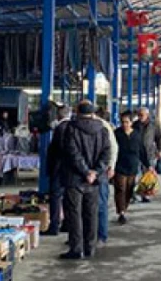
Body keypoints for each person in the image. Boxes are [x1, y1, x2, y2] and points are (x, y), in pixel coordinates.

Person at [58, 100, 112, 260]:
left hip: (74, 178)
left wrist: (85, 171)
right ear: (93, 112)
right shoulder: (102, 130)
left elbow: (72, 152)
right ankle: (90, 247)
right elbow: (107, 153)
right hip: (94, 180)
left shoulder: (71, 128)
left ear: (77, 111)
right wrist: (95, 171)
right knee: (91, 213)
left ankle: (76, 249)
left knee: (74, 214)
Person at [113, 111, 147, 225]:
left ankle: (124, 208)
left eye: (127, 122)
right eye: (122, 122)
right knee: (120, 188)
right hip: (119, 165)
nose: (124, 124)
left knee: (129, 189)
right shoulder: (117, 133)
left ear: (131, 122)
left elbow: (142, 151)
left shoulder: (137, 135)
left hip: (132, 166)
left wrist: (149, 165)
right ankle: (121, 212)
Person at [44, 104, 73, 237]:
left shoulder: (60, 128)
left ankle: (54, 225)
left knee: (55, 196)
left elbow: (58, 150)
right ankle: (67, 223)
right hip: (70, 169)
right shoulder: (72, 127)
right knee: (67, 196)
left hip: (59, 168)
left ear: (59, 115)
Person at [93, 107, 118, 245]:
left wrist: (111, 166)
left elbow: (112, 148)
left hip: (98, 170)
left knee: (100, 203)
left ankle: (101, 234)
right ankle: (92, 235)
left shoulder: (103, 126)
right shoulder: (103, 126)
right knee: (95, 204)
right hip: (97, 170)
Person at [135, 107, 161, 202]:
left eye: (142, 115)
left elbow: (159, 138)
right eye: (138, 115)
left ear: (147, 115)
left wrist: (160, 150)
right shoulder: (135, 125)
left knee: (147, 175)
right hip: (137, 153)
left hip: (149, 153)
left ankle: (146, 195)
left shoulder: (153, 125)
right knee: (135, 174)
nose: (140, 117)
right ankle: (135, 194)